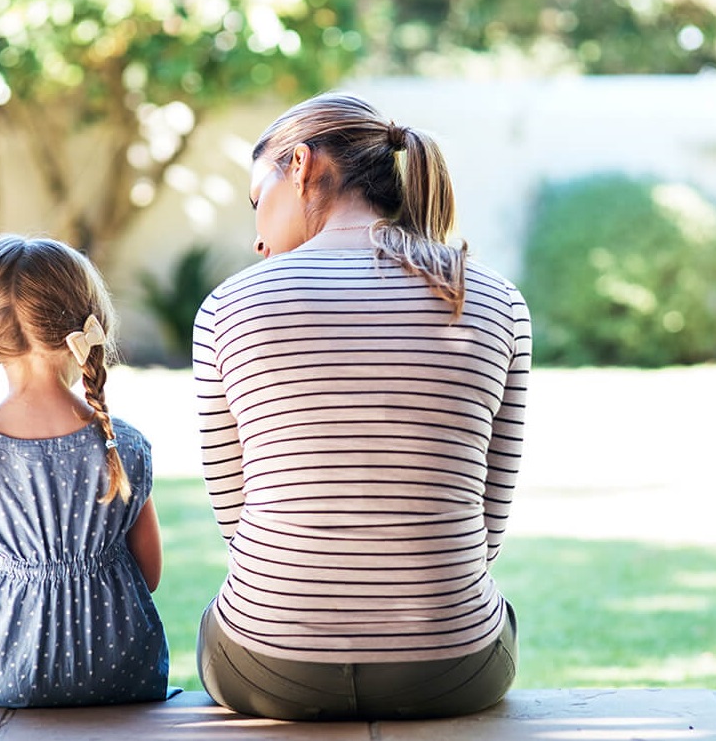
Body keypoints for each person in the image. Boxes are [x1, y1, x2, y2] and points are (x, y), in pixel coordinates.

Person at [192, 91, 532, 721]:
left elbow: (237, 522)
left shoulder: (229, 307)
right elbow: (487, 524)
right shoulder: (493, 299)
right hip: (451, 667)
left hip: (269, 667)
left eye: (255, 199)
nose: (257, 236)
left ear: (299, 165)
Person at [0, 233, 170, 708]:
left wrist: (6, 564)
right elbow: (148, 573)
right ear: (90, 327)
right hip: (116, 672)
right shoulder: (124, 446)